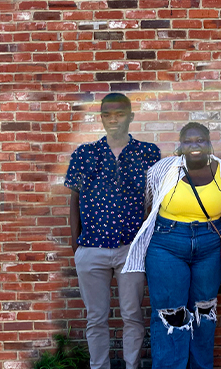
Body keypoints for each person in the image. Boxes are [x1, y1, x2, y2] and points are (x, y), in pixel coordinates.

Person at [122, 122, 221, 369]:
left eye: (200, 140)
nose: (194, 145)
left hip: (210, 245)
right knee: (170, 314)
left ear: (209, 143)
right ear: (180, 145)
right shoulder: (163, 169)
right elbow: (148, 202)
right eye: (188, 141)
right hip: (167, 244)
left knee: (204, 313)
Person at [65, 93, 160, 369]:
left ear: (131, 116)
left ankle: (132, 366)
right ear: (101, 118)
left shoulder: (148, 153)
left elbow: (155, 199)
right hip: (91, 247)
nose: (113, 119)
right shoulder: (84, 154)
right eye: (107, 114)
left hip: (131, 248)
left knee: (132, 316)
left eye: (119, 114)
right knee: (96, 318)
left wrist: (145, 242)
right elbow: (74, 199)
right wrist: (76, 244)